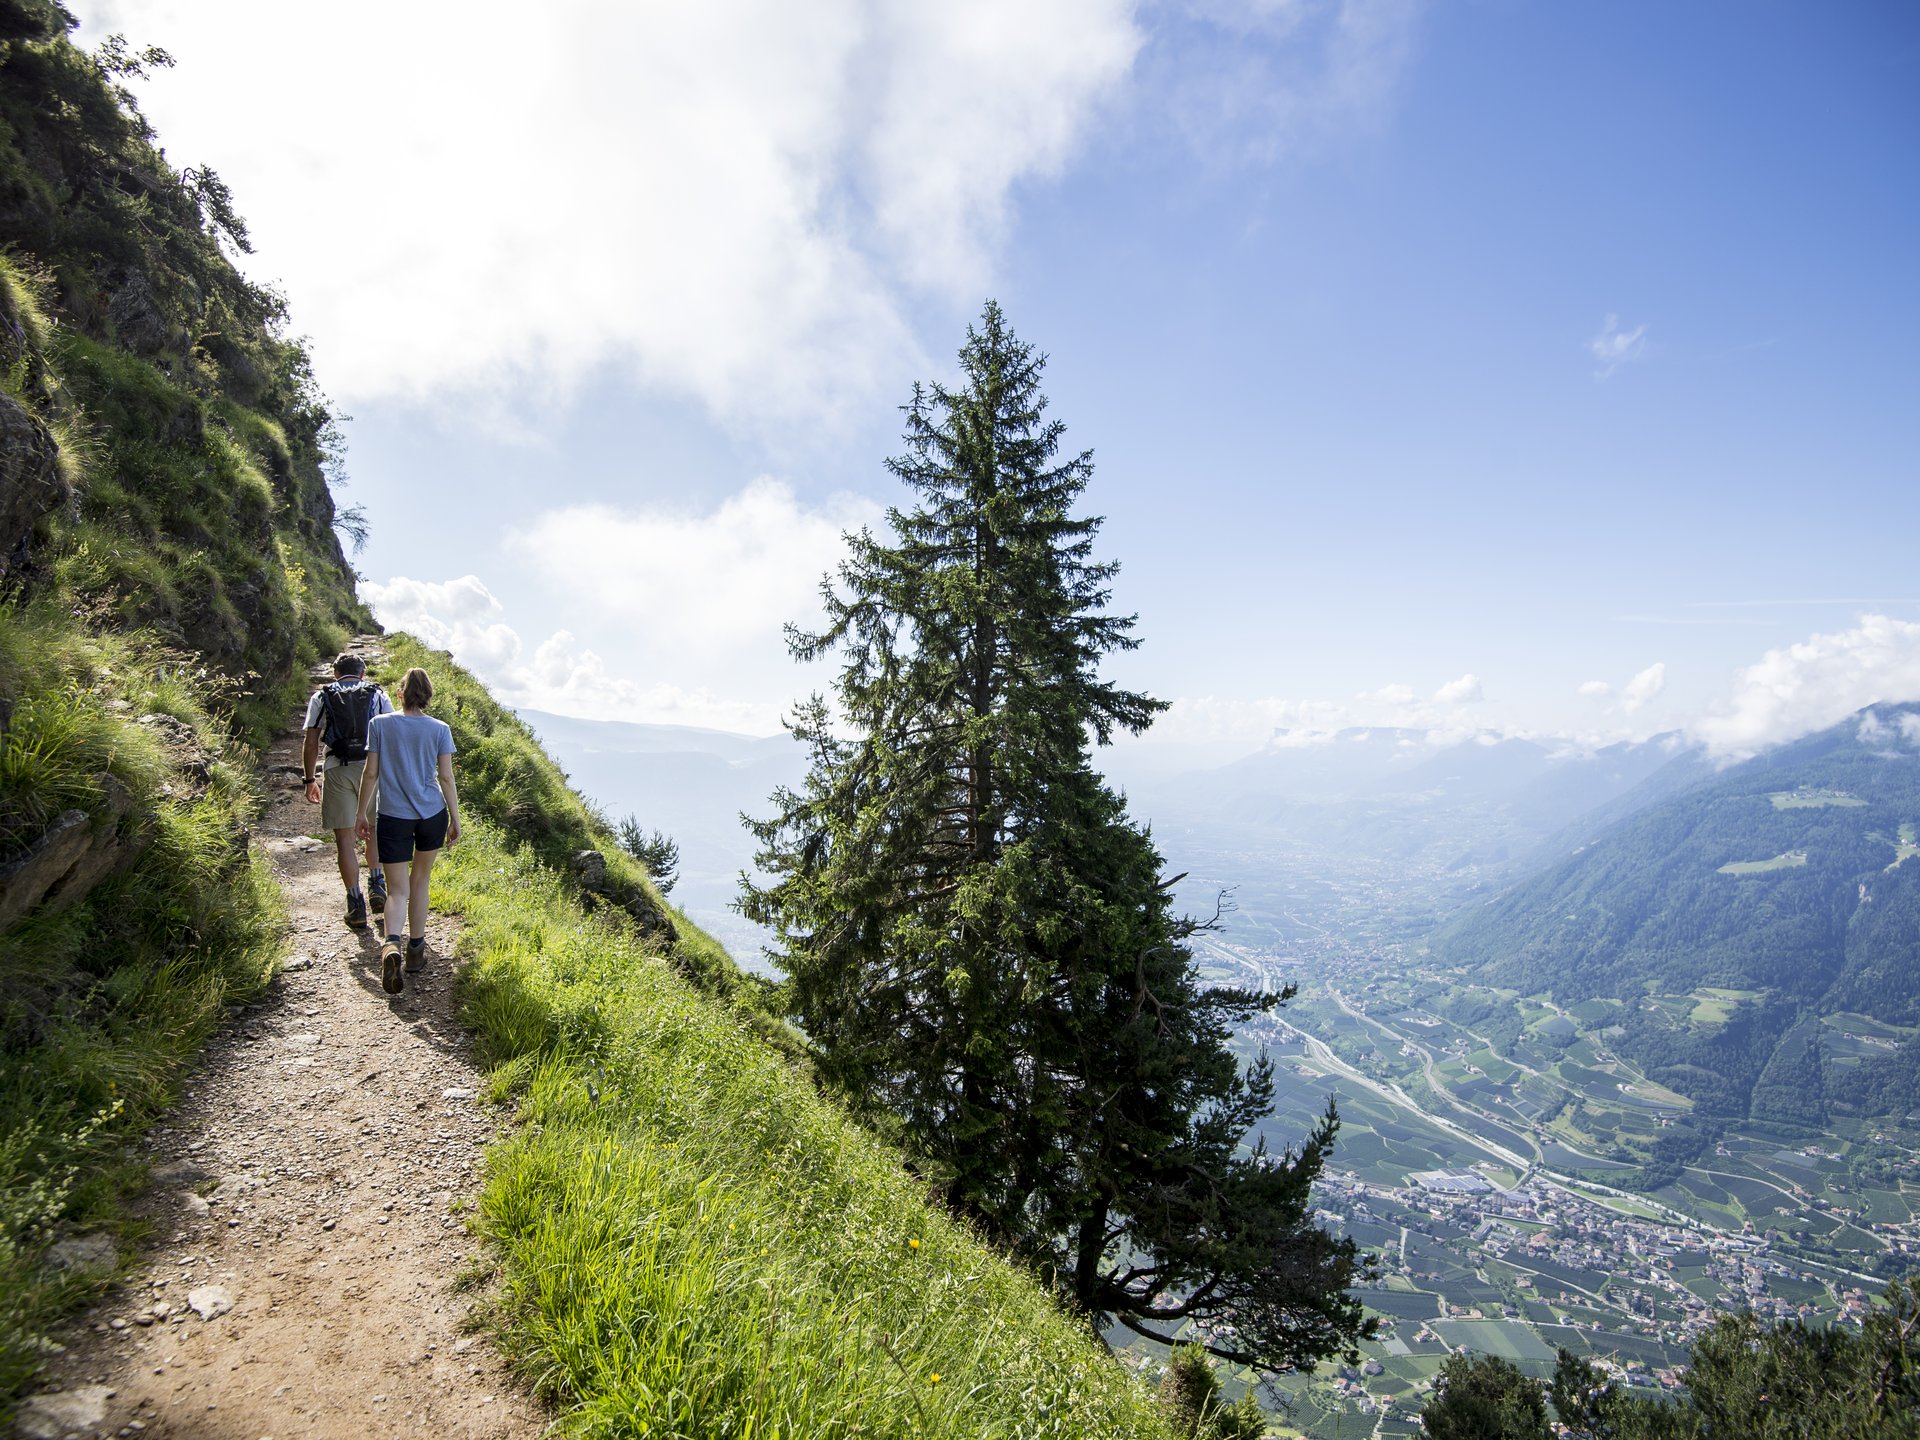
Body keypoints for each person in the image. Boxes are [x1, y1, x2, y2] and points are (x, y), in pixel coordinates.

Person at [354, 666, 461, 996]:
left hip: (393, 816)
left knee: (397, 889)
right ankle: (416, 949)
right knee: (421, 881)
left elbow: (370, 774)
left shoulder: (380, 725)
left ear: (400, 694)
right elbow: (445, 778)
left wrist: (361, 813)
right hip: (431, 813)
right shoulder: (440, 729)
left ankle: (391, 945)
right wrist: (455, 818)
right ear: (428, 696)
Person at [302, 653, 391, 929]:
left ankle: (356, 905)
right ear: (362, 673)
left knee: (345, 839)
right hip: (372, 769)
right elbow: (391, 731)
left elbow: (311, 740)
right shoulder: (378, 695)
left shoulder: (322, 696)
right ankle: (377, 884)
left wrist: (309, 779)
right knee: (373, 830)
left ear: (334, 673)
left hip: (337, 768)